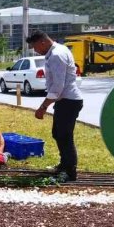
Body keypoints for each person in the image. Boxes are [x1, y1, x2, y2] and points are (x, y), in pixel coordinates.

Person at [26, 30, 84, 182]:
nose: (35, 50)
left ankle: (70, 172)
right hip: (63, 101)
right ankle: (64, 165)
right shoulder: (56, 51)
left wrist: (43, 107)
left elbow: (58, 86)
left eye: (35, 47)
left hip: (68, 100)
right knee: (58, 134)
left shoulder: (57, 55)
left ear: (42, 42)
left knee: (65, 136)